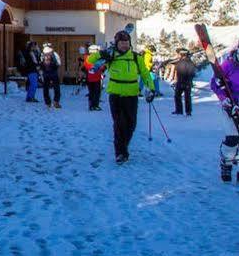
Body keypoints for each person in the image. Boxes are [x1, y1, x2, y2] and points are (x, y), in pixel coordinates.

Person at [98, 29, 156, 164]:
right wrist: (102, 54)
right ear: (117, 44)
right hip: (116, 95)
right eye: (122, 43)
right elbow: (91, 63)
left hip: (131, 95)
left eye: (127, 42)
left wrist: (151, 89)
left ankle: (123, 147)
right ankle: (120, 152)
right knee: (119, 124)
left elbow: (145, 74)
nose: (124, 45)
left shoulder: (136, 57)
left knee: (131, 124)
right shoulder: (111, 57)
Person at [170, 48, 196, 117]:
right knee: (182, 96)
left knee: (181, 96)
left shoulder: (183, 62)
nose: (179, 55)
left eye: (180, 54)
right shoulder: (188, 62)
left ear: (182, 54)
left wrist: (188, 80)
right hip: (183, 82)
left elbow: (192, 73)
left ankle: (182, 111)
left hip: (184, 82)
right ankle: (186, 111)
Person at [16, 38, 41, 103]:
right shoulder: (29, 53)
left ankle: (30, 97)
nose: (35, 47)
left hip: (33, 70)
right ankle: (30, 97)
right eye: (34, 46)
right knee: (34, 84)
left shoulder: (31, 53)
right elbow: (33, 63)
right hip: (31, 70)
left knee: (33, 84)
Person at [83, 44, 104, 111]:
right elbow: (101, 67)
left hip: (91, 78)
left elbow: (85, 67)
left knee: (92, 92)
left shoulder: (87, 58)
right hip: (95, 78)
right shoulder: (95, 58)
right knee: (96, 92)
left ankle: (91, 105)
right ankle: (95, 105)